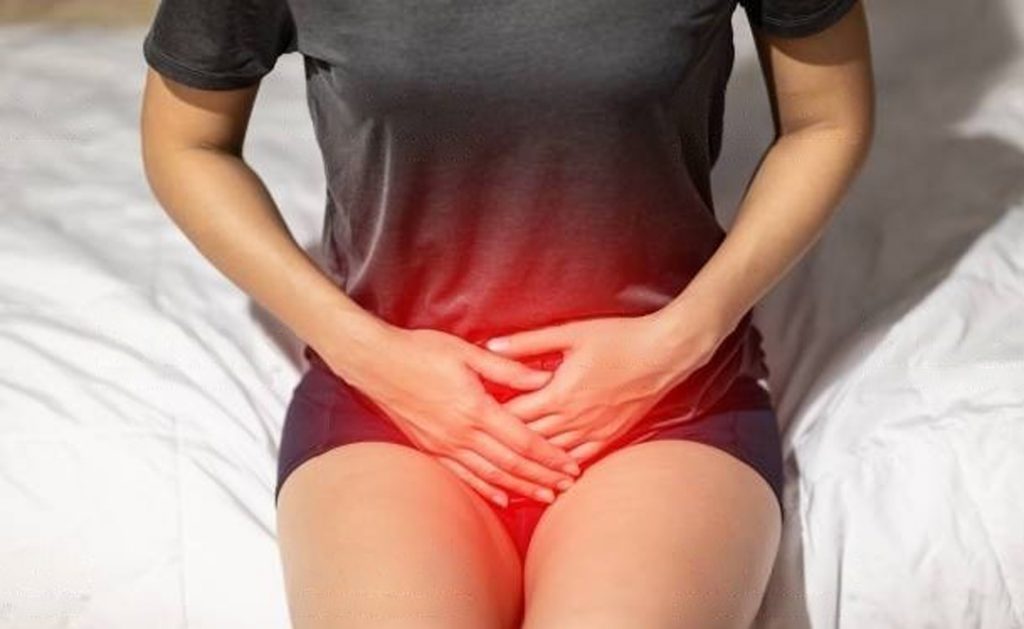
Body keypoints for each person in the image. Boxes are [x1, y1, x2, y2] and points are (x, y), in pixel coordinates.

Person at [140, 0, 873, 626]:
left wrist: (683, 335)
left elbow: (826, 119)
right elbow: (187, 142)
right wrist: (363, 350)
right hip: (393, 409)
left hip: (664, 403)